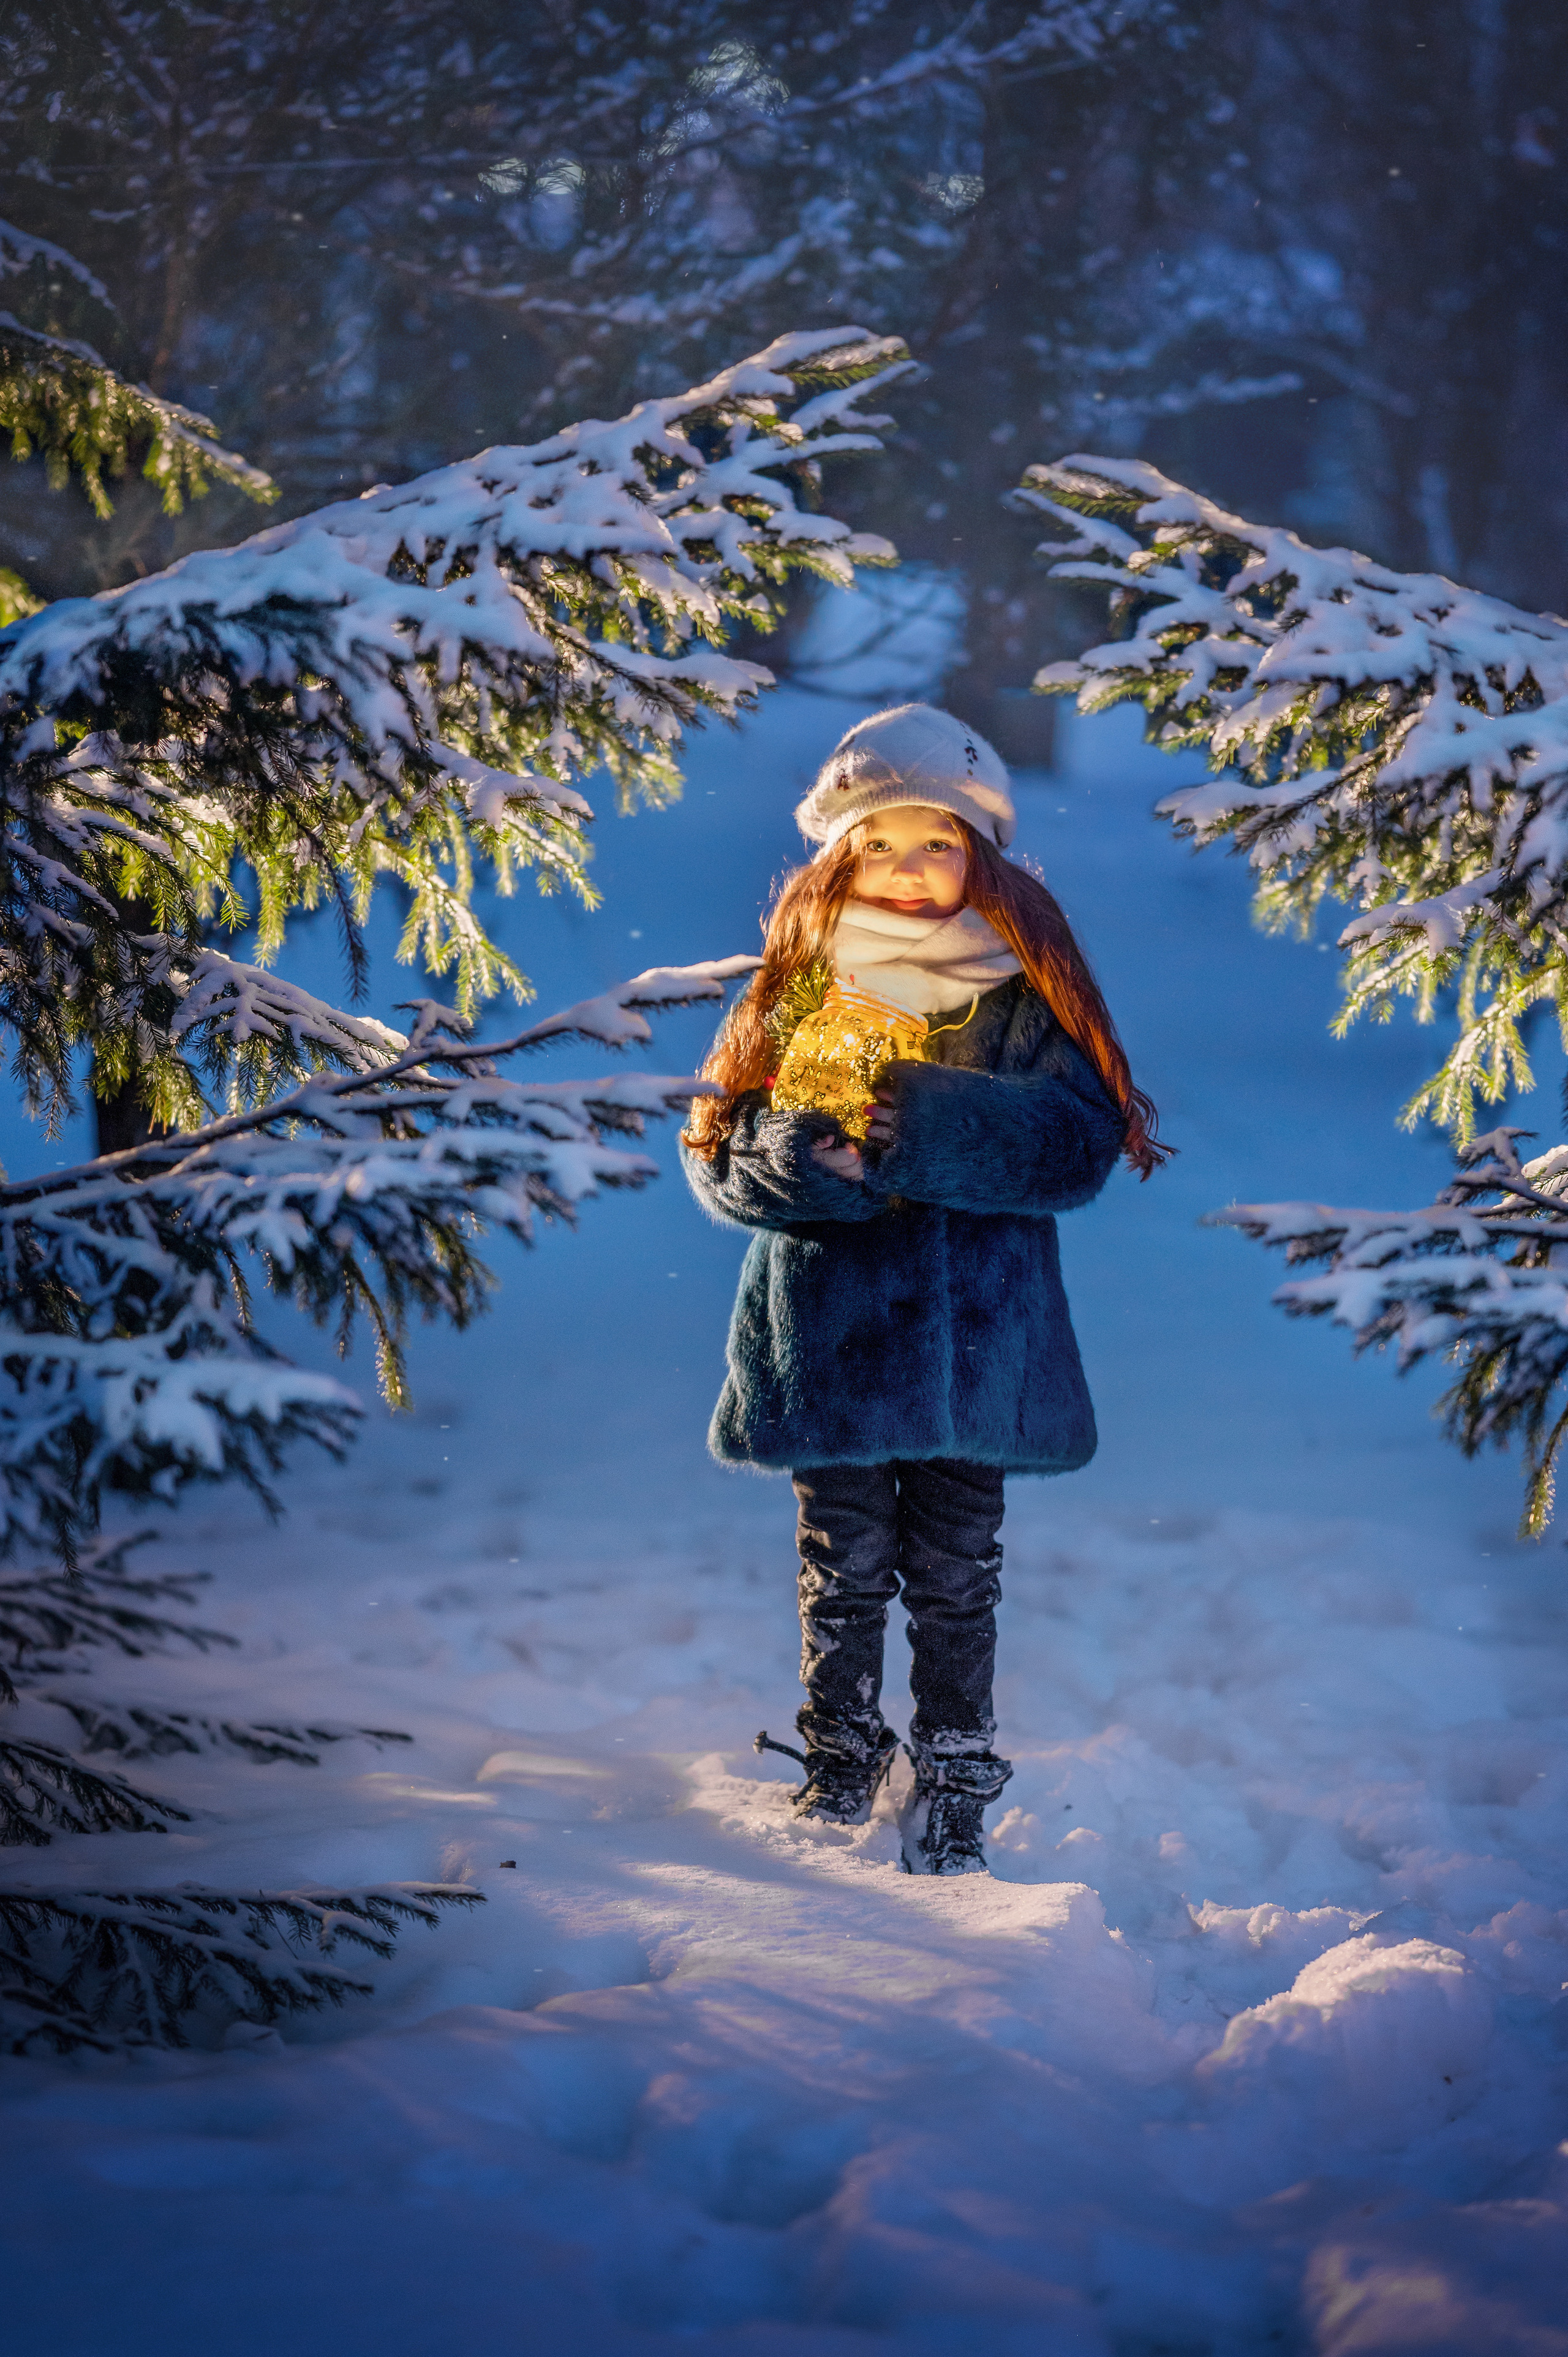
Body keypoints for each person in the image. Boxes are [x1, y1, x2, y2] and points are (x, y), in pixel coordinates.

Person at [682, 703, 1168, 1874]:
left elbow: (1078, 1141)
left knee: (957, 1574)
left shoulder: (1021, 992)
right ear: (841, 853)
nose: (909, 869)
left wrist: (931, 1126)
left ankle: (957, 1771)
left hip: (979, 1347)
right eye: (881, 842)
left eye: (937, 842)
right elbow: (719, 1156)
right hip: (830, 1343)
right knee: (839, 1565)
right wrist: (801, 1166)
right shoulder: (793, 987)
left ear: (982, 852)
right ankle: (840, 1755)